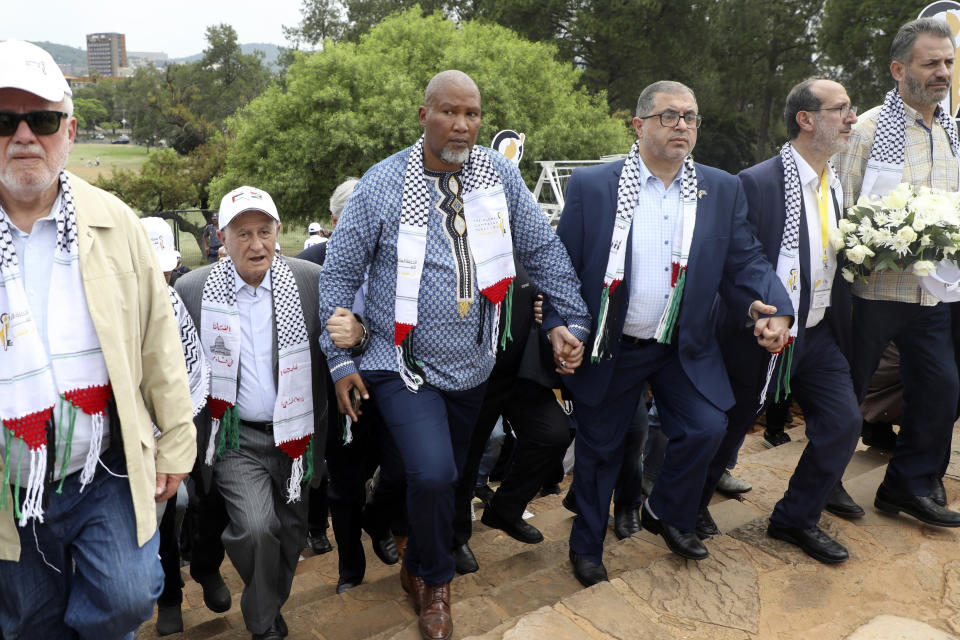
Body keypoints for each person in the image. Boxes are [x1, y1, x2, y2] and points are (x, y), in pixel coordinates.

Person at [318, 70, 591, 640]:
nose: (462, 126)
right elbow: (338, 276)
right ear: (424, 116)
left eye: (472, 114)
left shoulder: (499, 177)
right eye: (449, 112)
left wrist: (569, 321)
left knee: (451, 475)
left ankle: (414, 559)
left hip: (476, 361)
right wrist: (341, 361)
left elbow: (542, 250)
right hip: (401, 362)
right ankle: (436, 585)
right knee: (435, 472)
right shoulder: (383, 183)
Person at [544, 80, 792, 585]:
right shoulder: (594, 186)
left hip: (682, 344)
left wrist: (774, 306)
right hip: (611, 346)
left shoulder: (720, 188)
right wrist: (558, 324)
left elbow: (745, 258)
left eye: (691, 117)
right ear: (638, 125)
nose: (683, 125)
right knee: (600, 450)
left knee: (707, 427)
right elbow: (560, 267)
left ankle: (665, 510)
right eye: (669, 116)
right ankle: (587, 546)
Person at [0, 40, 196, 638]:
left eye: (43, 120)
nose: (25, 136)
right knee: (29, 619)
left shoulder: (115, 223)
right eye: (5, 122)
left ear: (70, 130)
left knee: (126, 597)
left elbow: (158, 339)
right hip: (9, 478)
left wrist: (178, 437)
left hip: (102, 463)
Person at [699, 78, 862, 564]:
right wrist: (761, 314)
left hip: (819, 331)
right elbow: (736, 259)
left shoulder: (837, 180)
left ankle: (795, 518)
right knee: (729, 427)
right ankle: (684, 507)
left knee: (843, 422)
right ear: (806, 119)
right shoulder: (757, 180)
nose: (852, 117)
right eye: (841, 109)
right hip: (760, 332)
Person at [175, 185, 328, 640]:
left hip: (296, 437)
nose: (256, 244)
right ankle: (263, 624)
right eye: (243, 234)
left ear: (278, 232)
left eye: (264, 231)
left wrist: (353, 336)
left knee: (290, 535)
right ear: (222, 238)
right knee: (257, 529)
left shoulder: (309, 280)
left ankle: (267, 603)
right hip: (235, 439)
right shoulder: (192, 290)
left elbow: (341, 341)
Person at [834, 17, 960, 527]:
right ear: (898, 69)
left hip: (933, 294)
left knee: (941, 389)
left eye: (948, 63)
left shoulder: (952, 132)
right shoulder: (865, 132)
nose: (943, 73)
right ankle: (821, 484)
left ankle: (906, 488)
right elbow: (840, 215)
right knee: (844, 393)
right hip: (872, 293)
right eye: (930, 63)